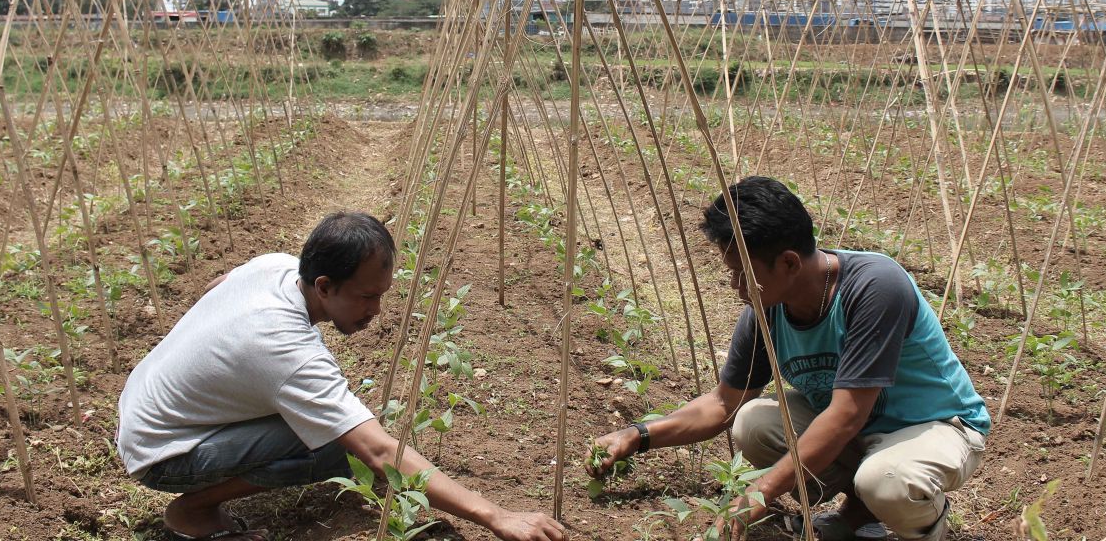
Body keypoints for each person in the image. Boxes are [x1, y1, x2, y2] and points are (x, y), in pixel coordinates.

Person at [117, 211, 566, 541]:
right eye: (367, 296)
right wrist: (495, 515)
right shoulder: (286, 351)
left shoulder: (273, 266)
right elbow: (376, 449)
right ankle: (192, 509)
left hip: (145, 406)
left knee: (320, 426)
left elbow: (220, 284)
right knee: (338, 448)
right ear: (324, 286)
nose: (376, 310)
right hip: (164, 452)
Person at [586, 177, 988, 541]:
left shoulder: (875, 286)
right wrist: (637, 435)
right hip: (859, 434)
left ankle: (925, 525)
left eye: (743, 272)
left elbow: (846, 415)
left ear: (790, 262)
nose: (736, 286)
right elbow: (724, 403)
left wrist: (760, 491)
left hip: (933, 426)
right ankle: (858, 514)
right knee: (753, 422)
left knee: (888, 480)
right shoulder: (767, 310)